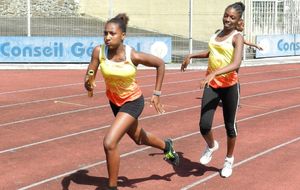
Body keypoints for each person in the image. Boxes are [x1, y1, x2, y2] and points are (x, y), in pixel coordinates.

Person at [84, 13, 179, 190]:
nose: (107, 37)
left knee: (109, 142)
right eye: (105, 33)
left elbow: (160, 64)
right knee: (138, 138)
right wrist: (88, 82)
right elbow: (90, 72)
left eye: (112, 33)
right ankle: (166, 145)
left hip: (133, 101)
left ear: (123, 36)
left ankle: (112, 187)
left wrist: (156, 93)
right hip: (115, 102)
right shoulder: (99, 51)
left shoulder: (132, 55)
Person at [181, 2, 245, 178]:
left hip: (230, 86)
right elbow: (211, 53)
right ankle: (211, 146)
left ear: (238, 20)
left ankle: (228, 160)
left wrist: (213, 73)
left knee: (229, 126)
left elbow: (236, 63)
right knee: (204, 125)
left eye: (232, 17)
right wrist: (191, 55)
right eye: (226, 15)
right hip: (213, 85)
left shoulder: (237, 37)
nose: (227, 19)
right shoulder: (216, 34)